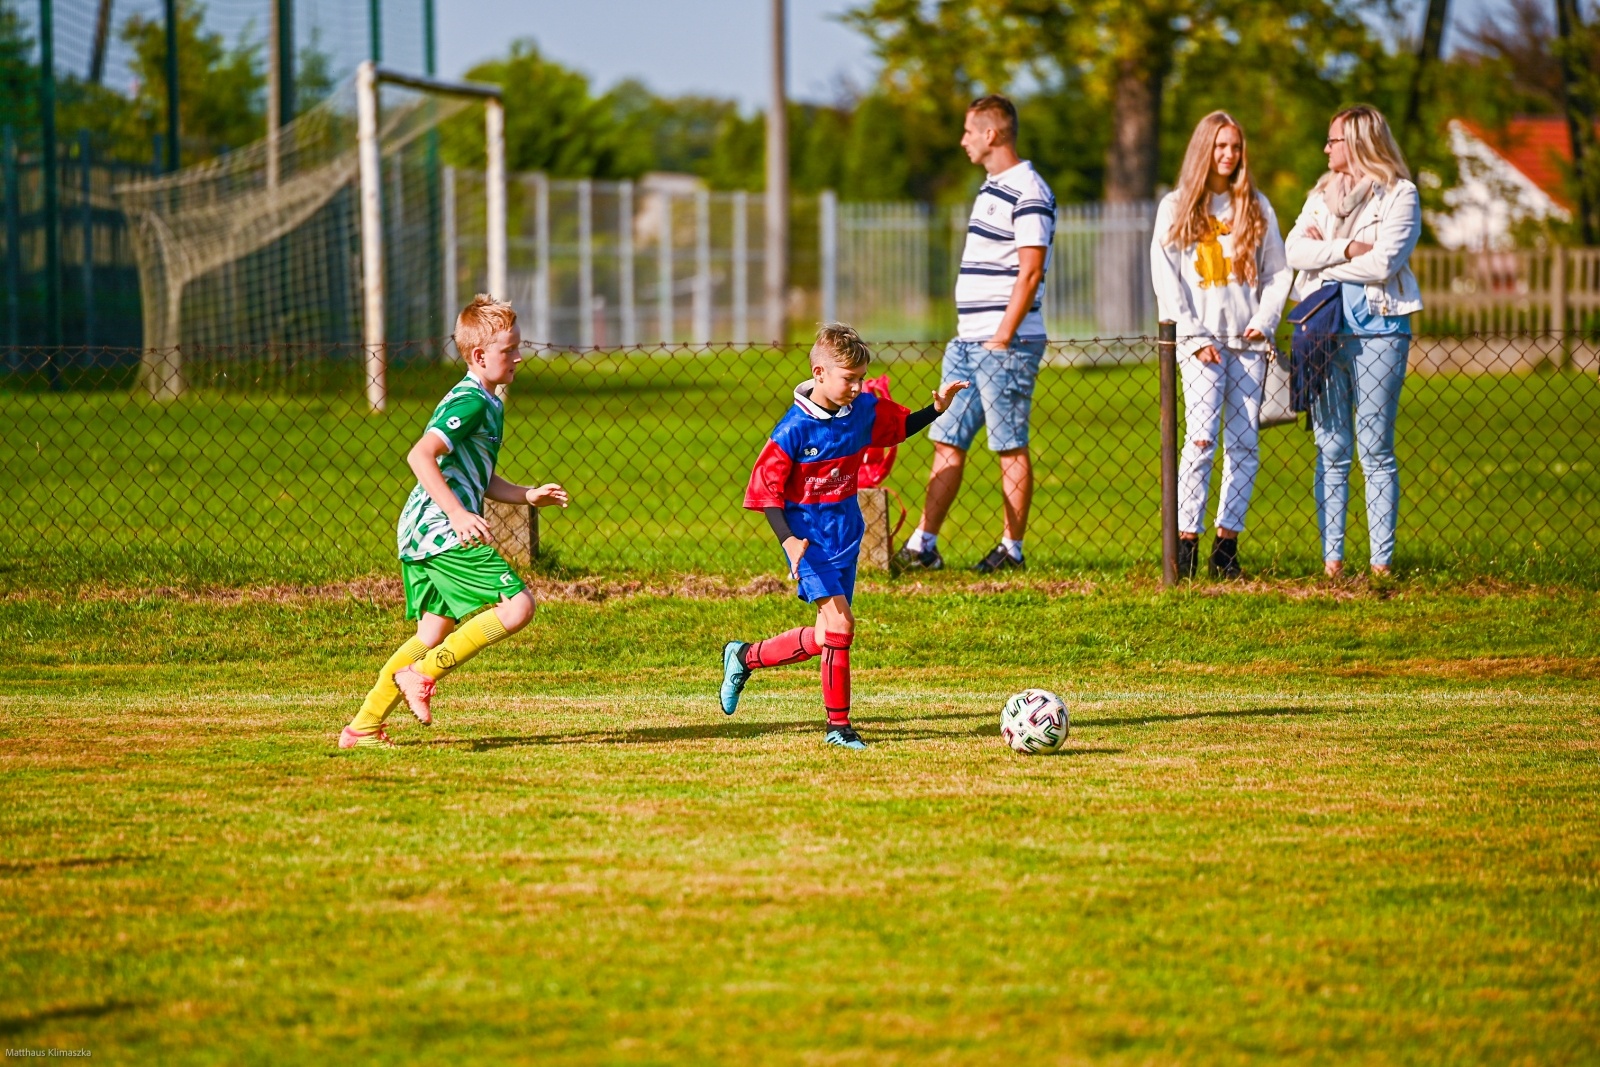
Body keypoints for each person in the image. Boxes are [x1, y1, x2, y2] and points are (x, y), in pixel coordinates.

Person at [721, 324, 968, 749]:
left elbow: (899, 427)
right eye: (847, 378)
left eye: (860, 379)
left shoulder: (862, 413)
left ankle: (742, 656)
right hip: (809, 543)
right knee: (841, 624)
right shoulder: (792, 430)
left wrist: (937, 410)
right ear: (819, 373)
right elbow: (766, 491)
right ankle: (839, 728)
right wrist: (788, 540)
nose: (856, 387)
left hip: (845, 536)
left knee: (825, 637)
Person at [339, 294, 570, 748]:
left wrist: (525, 495)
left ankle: (363, 727)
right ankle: (421, 676)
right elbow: (420, 455)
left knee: (431, 631)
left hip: (421, 530)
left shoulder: (488, 401)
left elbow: (475, 474)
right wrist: (458, 514)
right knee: (519, 605)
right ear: (479, 356)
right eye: (510, 351)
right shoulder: (471, 402)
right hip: (438, 528)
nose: (519, 357)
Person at [895, 94, 1055, 574]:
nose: (962, 140)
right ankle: (924, 545)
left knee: (1009, 443)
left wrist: (1002, 337)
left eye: (969, 131)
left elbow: (1030, 270)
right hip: (968, 341)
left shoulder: (1029, 189)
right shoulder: (990, 188)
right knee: (947, 438)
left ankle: (1012, 549)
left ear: (992, 134)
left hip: (1004, 343)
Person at [1151, 111, 1292, 579]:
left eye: (1235, 146)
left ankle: (1226, 547)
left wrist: (1264, 320)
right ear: (1203, 150)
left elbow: (1277, 273)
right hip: (1201, 346)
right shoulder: (1176, 207)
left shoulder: (1256, 207)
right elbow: (1165, 275)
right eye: (1220, 146)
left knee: (1245, 444)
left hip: (1247, 344)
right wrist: (1193, 335)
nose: (1229, 155)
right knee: (1201, 439)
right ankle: (1186, 544)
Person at [1285, 105, 1422, 579]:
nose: (1325, 149)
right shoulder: (1321, 195)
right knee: (1331, 447)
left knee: (1375, 448)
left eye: (1333, 140)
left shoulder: (1400, 195)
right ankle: (1332, 563)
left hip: (1380, 329)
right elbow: (1292, 250)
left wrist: (1320, 264)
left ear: (1359, 143)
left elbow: (1384, 265)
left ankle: (1381, 565)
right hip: (1323, 330)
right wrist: (1344, 249)